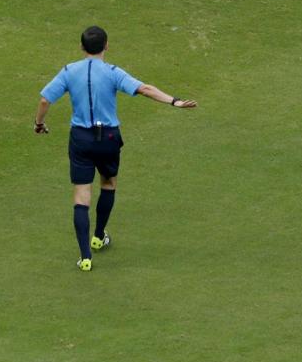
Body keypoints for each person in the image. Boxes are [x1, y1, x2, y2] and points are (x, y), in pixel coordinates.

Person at [33, 25, 197, 271]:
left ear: (81, 47)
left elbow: (45, 99)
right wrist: (175, 101)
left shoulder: (69, 71)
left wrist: (39, 123)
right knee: (108, 184)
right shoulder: (112, 72)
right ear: (107, 46)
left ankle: (85, 257)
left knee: (81, 195)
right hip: (108, 137)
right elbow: (145, 89)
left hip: (81, 138)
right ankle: (99, 236)